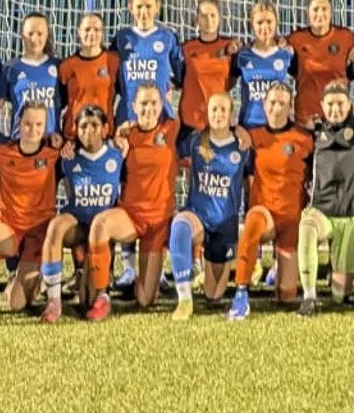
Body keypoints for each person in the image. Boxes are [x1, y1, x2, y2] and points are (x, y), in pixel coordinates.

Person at [0, 97, 61, 324]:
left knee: (16, 303)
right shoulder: (1, 150)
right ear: (18, 123)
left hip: (38, 233)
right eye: (27, 124)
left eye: (38, 125)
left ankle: (34, 278)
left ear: (45, 126)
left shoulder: (54, 153)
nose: (32, 130)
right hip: (9, 228)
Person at [229, 85, 312, 320]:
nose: (276, 108)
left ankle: (281, 272)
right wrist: (236, 129)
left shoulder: (304, 138)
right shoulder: (253, 137)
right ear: (264, 105)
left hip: (291, 220)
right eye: (272, 103)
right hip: (265, 213)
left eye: (282, 103)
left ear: (290, 107)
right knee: (252, 221)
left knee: (287, 295)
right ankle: (241, 293)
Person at [167, 88, 247, 318]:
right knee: (180, 225)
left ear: (232, 115)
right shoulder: (194, 141)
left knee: (213, 295)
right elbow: (167, 152)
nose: (219, 114)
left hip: (225, 225)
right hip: (198, 217)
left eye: (224, 109)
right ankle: (183, 298)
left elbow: (252, 181)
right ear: (207, 113)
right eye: (214, 109)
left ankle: (232, 259)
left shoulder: (242, 147)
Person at [39, 105, 124, 323]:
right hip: (77, 223)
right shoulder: (68, 157)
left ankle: (103, 293)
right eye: (84, 126)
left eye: (95, 125)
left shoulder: (119, 155)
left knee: (88, 300)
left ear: (105, 129)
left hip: (102, 231)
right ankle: (54, 300)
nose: (89, 131)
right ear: (76, 129)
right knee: (56, 226)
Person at [107, 82, 183, 307]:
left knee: (145, 300)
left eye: (153, 103)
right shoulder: (125, 135)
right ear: (133, 105)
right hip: (130, 216)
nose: (148, 108)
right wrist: (116, 139)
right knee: (100, 226)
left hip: (159, 220)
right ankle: (99, 289)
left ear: (162, 105)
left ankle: (143, 282)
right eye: (143, 103)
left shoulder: (172, 129)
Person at [298, 81, 354, 314]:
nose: (335, 109)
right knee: (307, 228)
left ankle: (339, 280)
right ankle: (309, 297)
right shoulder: (315, 131)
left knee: (340, 297)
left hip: (349, 213)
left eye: (340, 103)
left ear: (350, 104)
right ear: (322, 105)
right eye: (330, 104)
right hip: (321, 209)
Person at [112, 0, 184, 119]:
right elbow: (111, 78)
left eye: (148, 6)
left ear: (157, 7)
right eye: (139, 6)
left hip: (159, 116)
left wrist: (170, 86)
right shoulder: (122, 38)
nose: (144, 12)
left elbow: (181, 74)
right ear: (130, 8)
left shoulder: (167, 37)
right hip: (128, 116)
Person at [287, 0, 354, 125]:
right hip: (306, 118)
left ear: (331, 12)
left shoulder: (346, 37)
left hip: (338, 116)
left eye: (324, 9)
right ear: (307, 12)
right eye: (315, 9)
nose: (320, 13)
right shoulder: (296, 40)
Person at [0, 13, 61, 136]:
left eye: (40, 33)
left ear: (47, 35)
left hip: (50, 144)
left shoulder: (59, 67)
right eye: (30, 33)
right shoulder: (10, 68)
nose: (34, 39)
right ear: (22, 35)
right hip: (20, 143)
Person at [233, 2, 295, 130]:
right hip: (249, 126)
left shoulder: (286, 54)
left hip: (276, 126)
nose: (265, 27)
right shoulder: (242, 55)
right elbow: (228, 84)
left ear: (276, 22)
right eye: (259, 22)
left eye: (269, 21)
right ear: (252, 25)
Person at [180, 0, 238, 132]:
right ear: (197, 20)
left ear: (219, 19)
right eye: (204, 16)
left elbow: (232, 80)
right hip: (192, 122)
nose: (209, 20)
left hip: (219, 121)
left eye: (213, 15)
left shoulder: (230, 47)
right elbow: (178, 80)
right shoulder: (186, 49)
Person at [58, 13, 119, 138]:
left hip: (104, 135)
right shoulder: (67, 66)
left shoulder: (113, 62)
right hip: (74, 136)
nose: (91, 33)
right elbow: (57, 103)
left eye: (96, 29)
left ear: (102, 33)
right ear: (79, 31)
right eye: (87, 29)